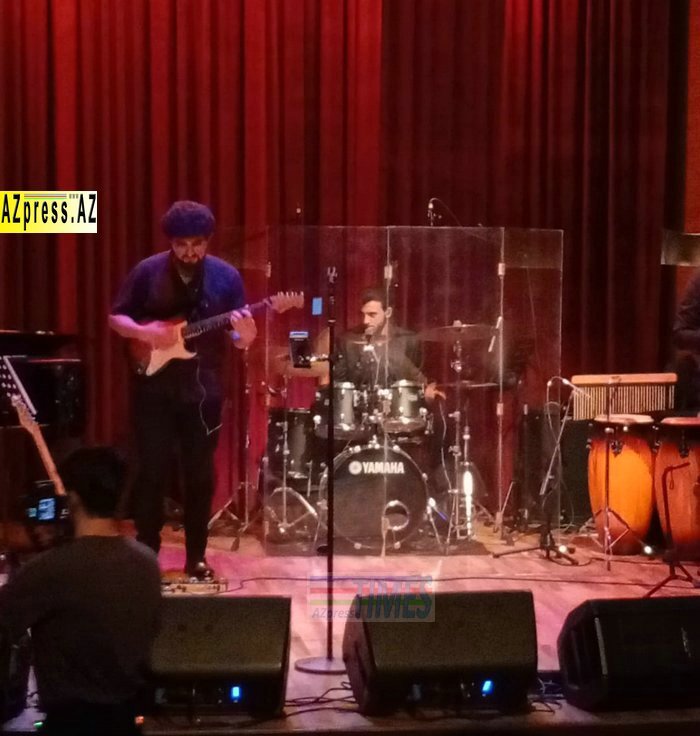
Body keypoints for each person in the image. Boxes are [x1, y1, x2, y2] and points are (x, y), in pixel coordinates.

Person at [108, 201, 257, 579]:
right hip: (153, 388)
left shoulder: (226, 277)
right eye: (181, 245)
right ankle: (146, 556)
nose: (190, 252)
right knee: (151, 472)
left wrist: (246, 336)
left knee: (200, 477)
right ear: (170, 242)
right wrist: (145, 332)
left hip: (204, 390)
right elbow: (117, 318)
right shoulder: (147, 271)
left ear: (208, 240)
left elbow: (238, 337)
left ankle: (196, 557)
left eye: (197, 244)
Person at [0, 446, 162, 736]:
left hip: (68, 723)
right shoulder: (148, 562)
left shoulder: (51, 568)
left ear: (73, 499)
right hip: (126, 722)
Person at [335, 286, 442, 401]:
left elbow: (425, 380)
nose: (365, 321)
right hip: (359, 407)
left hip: (400, 406)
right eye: (363, 314)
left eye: (372, 315)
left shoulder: (408, 340)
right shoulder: (348, 342)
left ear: (388, 312)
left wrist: (428, 388)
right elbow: (339, 385)